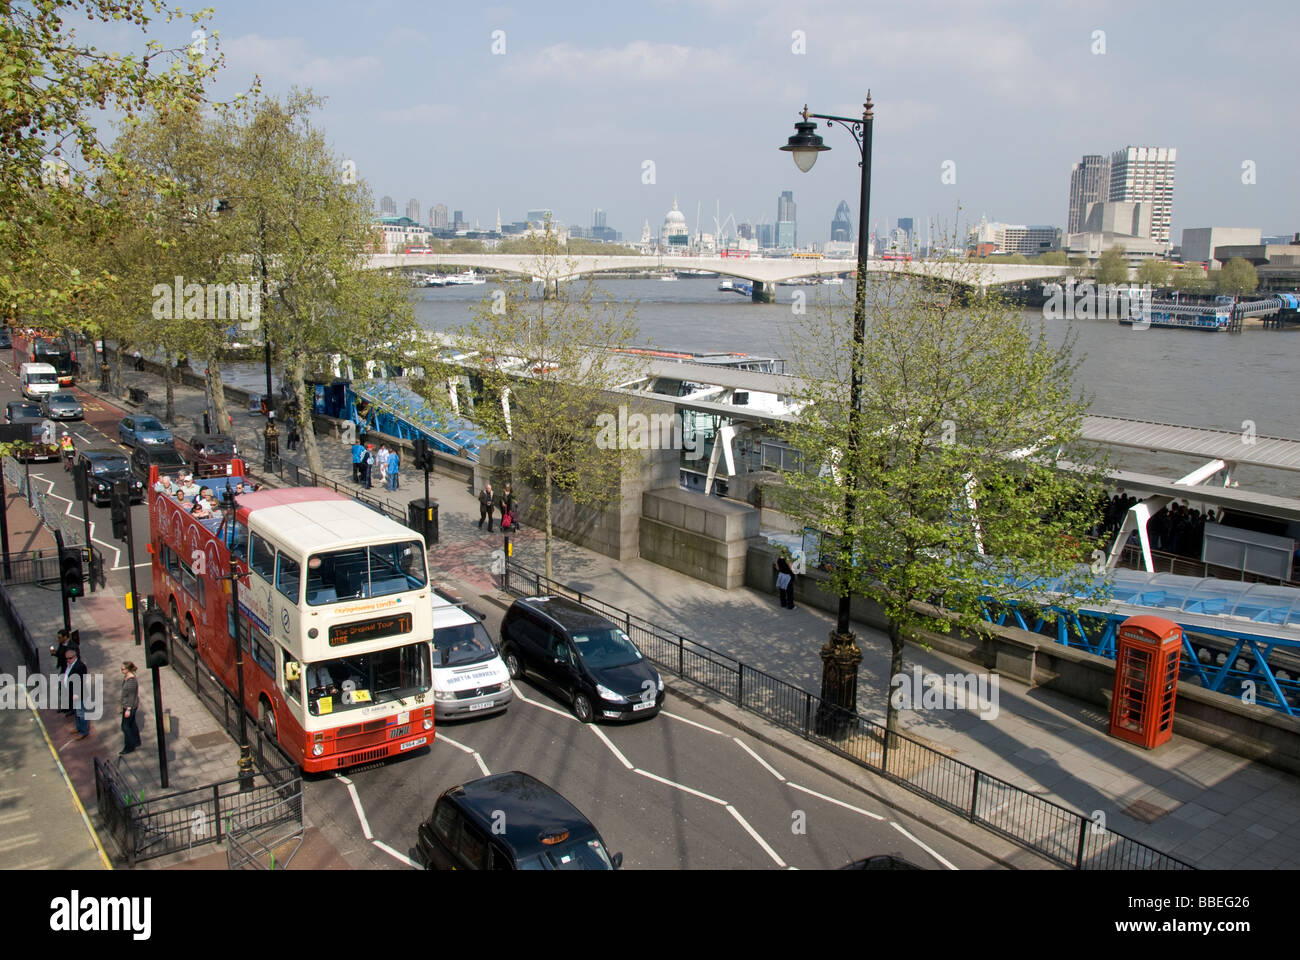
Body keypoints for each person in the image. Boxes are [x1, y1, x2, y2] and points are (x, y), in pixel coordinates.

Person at [63, 648, 90, 738]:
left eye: (70, 658)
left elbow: (81, 681)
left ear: (75, 657)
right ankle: (78, 727)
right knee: (77, 711)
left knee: (81, 712)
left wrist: (77, 693)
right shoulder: (70, 665)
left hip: (79, 694)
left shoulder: (80, 666)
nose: (68, 660)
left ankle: (84, 731)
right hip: (72, 693)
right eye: (66, 658)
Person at [119, 661, 141, 756]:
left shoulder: (132, 681)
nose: (121, 670)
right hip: (127, 704)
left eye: (123, 669)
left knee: (125, 726)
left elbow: (131, 697)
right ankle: (136, 741)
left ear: (128, 669)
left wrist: (128, 709)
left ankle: (129, 746)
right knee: (132, 723)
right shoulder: (126, 678)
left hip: (130, 706)